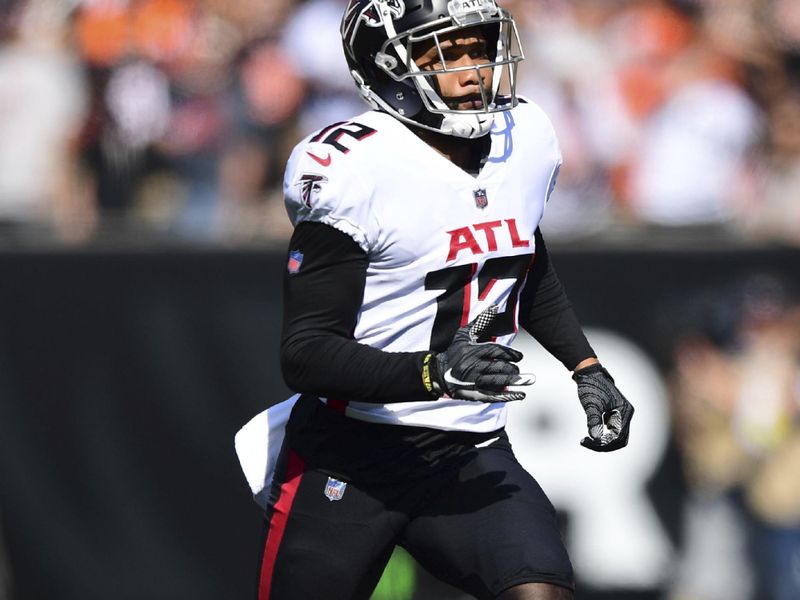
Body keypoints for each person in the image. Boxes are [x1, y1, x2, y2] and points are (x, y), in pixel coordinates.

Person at [242, 1, 634, 598]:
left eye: (479, 48)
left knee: (539, 591)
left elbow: (522, 262)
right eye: (448, 53)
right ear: (389, 69)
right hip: (352, 453)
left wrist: (586, 366)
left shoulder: (524, 138)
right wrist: (433, 372)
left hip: (468, 448)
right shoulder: (356, 169)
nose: (474, 68)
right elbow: (306, 352)